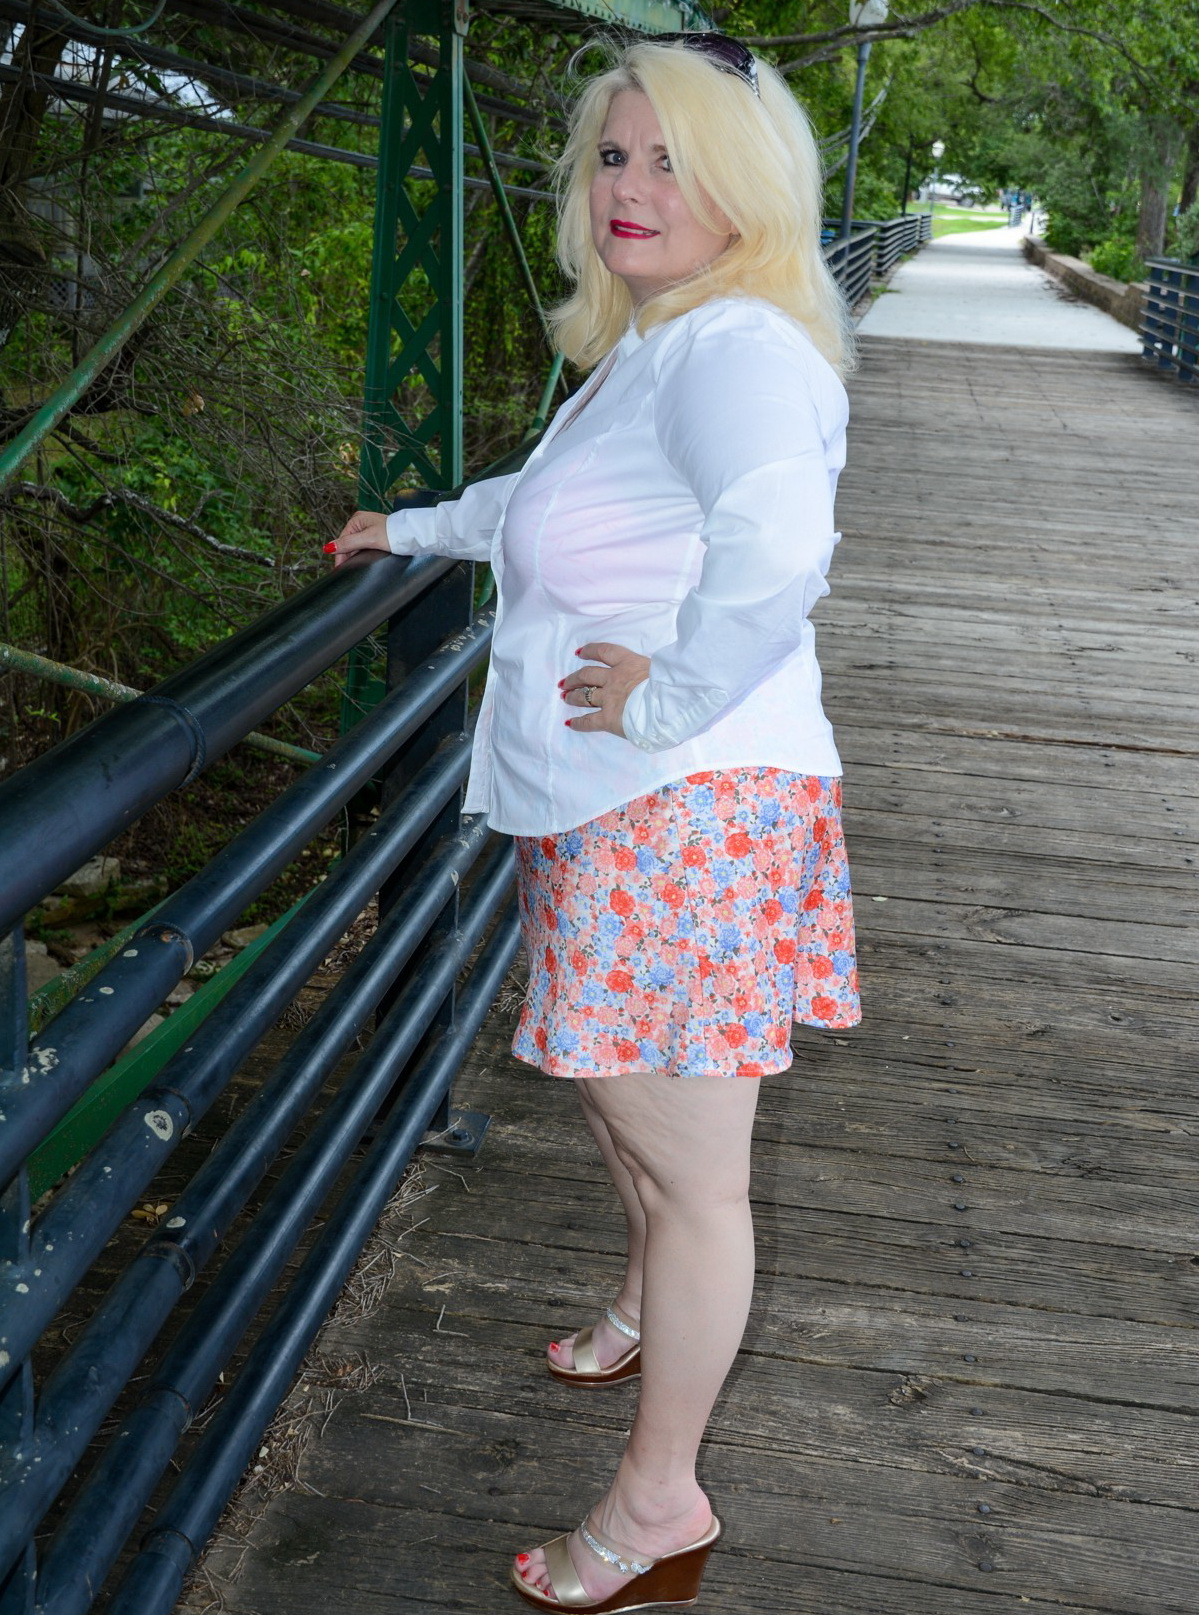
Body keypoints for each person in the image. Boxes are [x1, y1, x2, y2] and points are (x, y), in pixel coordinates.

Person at [326, 31, 861, 1614]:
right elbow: (557, 508)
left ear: (746, 187)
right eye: (614, 155)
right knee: (635, 1120)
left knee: (696, 1179)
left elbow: (781, 549)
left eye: (672, 161)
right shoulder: (662, 339)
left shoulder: (737, 352)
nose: (631, 187)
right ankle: (642, 1303)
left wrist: (664, 698)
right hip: (629, 809)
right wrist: (420, 525)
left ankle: (659, 1500)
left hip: (678, 812)